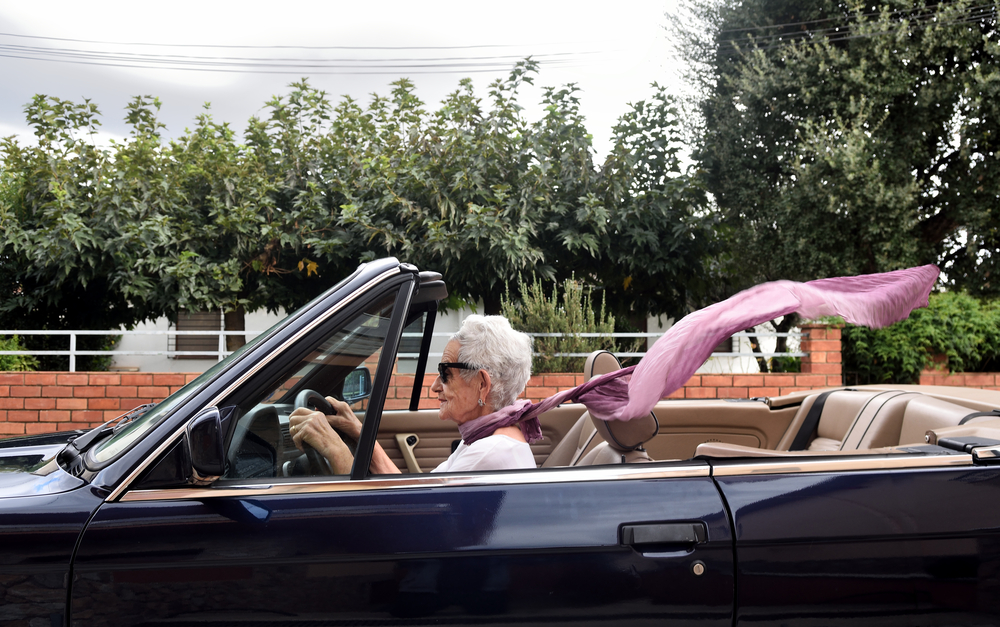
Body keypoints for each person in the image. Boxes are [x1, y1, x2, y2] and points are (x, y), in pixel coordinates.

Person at [288, 315, 536, 474]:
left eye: (445, 373)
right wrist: (357, 431)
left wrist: (334, 449)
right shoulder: (486, 440)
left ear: (482, 384)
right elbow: (414, 496)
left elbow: (399, 526)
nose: (435, 386)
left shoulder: (488, 454)